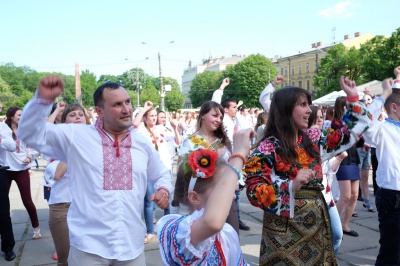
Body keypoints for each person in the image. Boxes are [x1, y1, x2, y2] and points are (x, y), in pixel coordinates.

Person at [18, 76, 172, 265]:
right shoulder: (77, 136)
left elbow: (162, 173)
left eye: (128, 102)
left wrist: (164, 189)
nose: (126, 109)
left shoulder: (141, 143)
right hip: (89, 248)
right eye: (117, 104)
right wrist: (41, 100)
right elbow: (29, 133)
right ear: (99, 111)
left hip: (132, 246)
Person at [244, 76, 371, 265]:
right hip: (283, 233)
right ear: (286, 110)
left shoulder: (313, 138)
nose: (308, 110)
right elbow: (253, 191)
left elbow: (349, 135)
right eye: (303, 105)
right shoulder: (267, 148)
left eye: (308, 105)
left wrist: (353, 98)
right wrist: (289, 186)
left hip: (316, 226)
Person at [157, 128, 253, 265]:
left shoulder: (226, 234)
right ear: (195, 198)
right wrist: (238, 156)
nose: (231, 196)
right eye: (223, 188)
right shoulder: (180, 233)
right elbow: (212, 222)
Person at [178, 101, 241, 234]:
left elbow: (234, 166)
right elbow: (183, 171)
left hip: (226, 198)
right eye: (214, 116)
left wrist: (235, 181)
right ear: (202, 115)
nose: (218, 120)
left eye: (221, 117)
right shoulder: (189, 143)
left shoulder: (223, 142)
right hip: (201, 201)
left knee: (230, 240)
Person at [362, 68, 400, 266]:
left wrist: (398, 80)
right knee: (391, 254)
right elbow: (362, 120)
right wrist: (385, 93)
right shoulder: (383, 130)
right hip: (393, 198)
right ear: (394, 107)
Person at [46, 103, 87, 266]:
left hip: (88, 206)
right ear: (64, 121)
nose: (77, 116)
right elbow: (57, 173)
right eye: (72, 115)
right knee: (66, 259)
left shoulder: (94, 141)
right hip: (63, 206)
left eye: (80, 114)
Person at [133, 103, 179, 244]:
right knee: (149, 200)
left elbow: (178, 141)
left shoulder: (161, 129)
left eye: (155, 116)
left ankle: (168, 227)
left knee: (167, 199)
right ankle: (149, 231)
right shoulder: (141, 130)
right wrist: (145, 109)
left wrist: (175, 128)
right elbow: (134, 124)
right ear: (145, 118)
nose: (153, 118)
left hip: (164, 168)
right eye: (150, 116)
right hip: (148, 170)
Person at [211, 77, 251, 231]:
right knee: (228, 192)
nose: (236, 109)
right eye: (233, 107)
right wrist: (222, 87)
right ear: (225, 109)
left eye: (236, 107)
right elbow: (215, 102)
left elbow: (247, 128)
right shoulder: (221, 121)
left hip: (235, 159)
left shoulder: (235, 121)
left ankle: (236, 219)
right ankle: (227, 219)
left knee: (237, 193)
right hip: (223, 161)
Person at [308, 105, 346, 256]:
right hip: (307, 199)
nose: (319, 120)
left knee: (336, 234)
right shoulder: (302, 139)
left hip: (326, 195)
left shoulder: (322, 137)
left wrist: (339, 158)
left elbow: (328, 168)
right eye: (315, 117)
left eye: (321, 117)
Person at [5, 106, 40, 239]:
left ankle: (36, 228)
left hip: (21, 170)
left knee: (27, 200)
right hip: (6, 170)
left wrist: (30, 157)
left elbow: (35, 147)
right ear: (11, 116)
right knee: (3, 202)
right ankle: (5, 230)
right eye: (19, 115)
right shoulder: (4, 129)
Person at [332, 96, 362, 236]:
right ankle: (334, 226)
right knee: (345, 196)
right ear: (341, 106)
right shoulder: (336, 123)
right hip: (343, 157)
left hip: (353, 156)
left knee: (354, 195)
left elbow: (357, 140)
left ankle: (345, 225)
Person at [0, 122, 17, 261]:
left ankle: (8, 247)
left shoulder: (2, 127)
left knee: (3, 212)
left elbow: (12, 146)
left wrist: (0, 139)